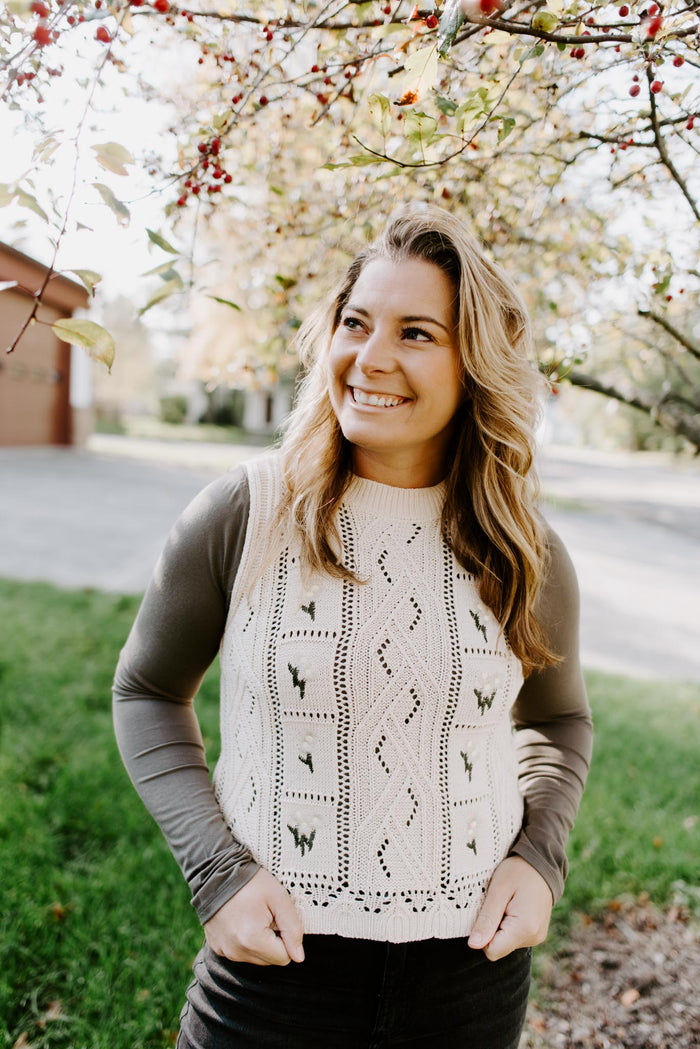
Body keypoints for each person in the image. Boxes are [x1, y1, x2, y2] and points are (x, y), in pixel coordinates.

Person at [113, 203, 593, 1049]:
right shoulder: (244, 511)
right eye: (356, 323)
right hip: (273, 964)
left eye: (416, 333)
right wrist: (217, 873)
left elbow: (558, 720)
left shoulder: (524, 548)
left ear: (473, 362)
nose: (371, 358)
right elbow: (147, 690)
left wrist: (540, 859)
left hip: (472, 977)